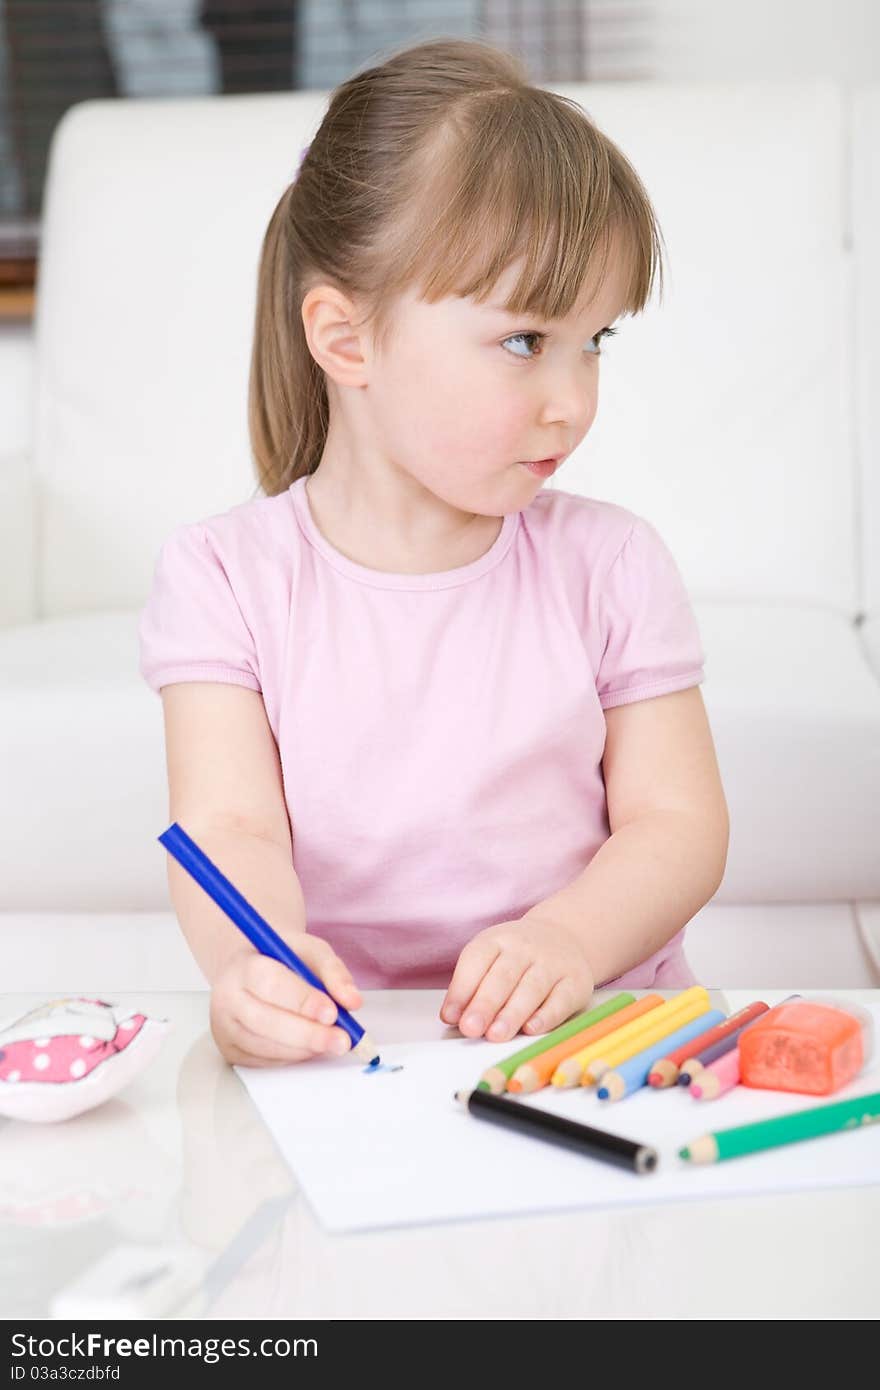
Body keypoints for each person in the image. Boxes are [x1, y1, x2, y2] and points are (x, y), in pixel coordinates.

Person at [138, 37, 729, 1069]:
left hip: (594, 1045)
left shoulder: (613, 564)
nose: (574, 399)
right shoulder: (223, 576)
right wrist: (253, 967)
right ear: (347, 339)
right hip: (357, 1056)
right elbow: (229, 824)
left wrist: (568, 939)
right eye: (524, 342)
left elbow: (677, 825)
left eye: (596, 341)